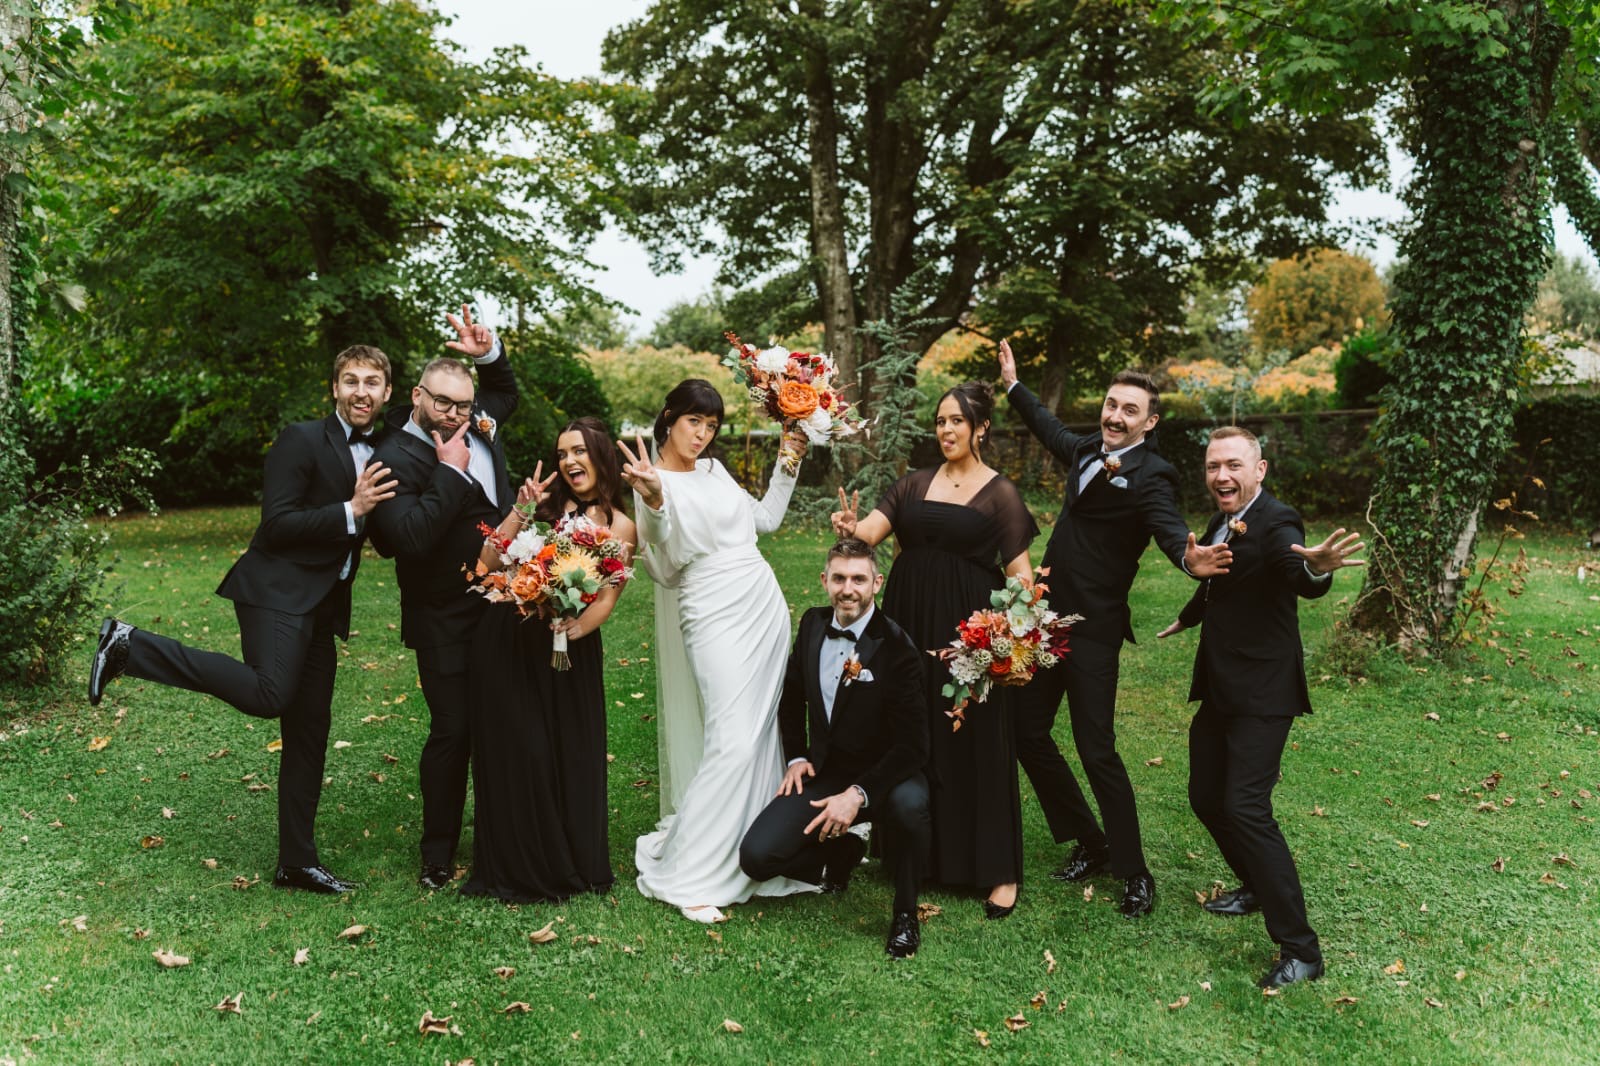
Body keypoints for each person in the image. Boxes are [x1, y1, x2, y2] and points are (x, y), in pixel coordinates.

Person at [87, 345, 398, 894]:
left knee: (309, 732)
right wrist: (351, 510)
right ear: (333, 388)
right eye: (350, 380)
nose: (360, 392)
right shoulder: (301, 439)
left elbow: (453, 411)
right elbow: (277, 523)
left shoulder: (385, 446)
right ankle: (130, 646)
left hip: (322, 603)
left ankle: (296, 863)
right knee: (269, 694)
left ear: (388, 392)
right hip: (276, 589)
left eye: (372, 382)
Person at [996, 340, 1226, 918]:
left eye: (1130, 410)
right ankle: (1089, 840)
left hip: (1094, 631)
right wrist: (1013, 387)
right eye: (1110, 404)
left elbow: (1170, 529)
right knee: (1026, 733)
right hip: (1046, 621)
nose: (1115, 416)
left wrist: (1187, 559)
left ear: (1149, 422)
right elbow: (1050, 429)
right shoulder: (1084, 451)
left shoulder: (1153, 475)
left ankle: (1135, 869)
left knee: (1097, 748)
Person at [1157, 426, 1362, 989]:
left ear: (1259, 470)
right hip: (1223, 686)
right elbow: (1218, 573)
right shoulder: (1223, 521)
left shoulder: (1278, 520)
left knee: (1246, 808)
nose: (1222, 476)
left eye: (1233, 465)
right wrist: (1189, 614)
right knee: (1205, 798)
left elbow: (1295, 570)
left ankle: (1302, 948)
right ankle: (1253, 885)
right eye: (1212, 466)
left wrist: (1317, 568)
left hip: (1265, 692)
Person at [830, 382, 1037, 919]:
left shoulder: (1001, 494)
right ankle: (914, 855)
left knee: (977, 738)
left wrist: (1010, 643)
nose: (946, 429)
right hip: (907, 623)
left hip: (969, 631)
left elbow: (1022, 579)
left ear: (981, 428)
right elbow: (869, 534)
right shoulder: (912, 485)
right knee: (913, 728)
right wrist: (852, 530)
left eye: (957, 421)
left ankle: (999, 869)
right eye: (941, 420)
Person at [617, 379, 816, 922]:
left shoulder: (714, 470)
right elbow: (661, 540)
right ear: (668, 418)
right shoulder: (648, 478)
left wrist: (788, 460)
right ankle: (691, 875)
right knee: (730, 739)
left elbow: (766, 521)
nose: (702, 435)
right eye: (693, 423)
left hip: (762, 604)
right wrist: (653, 497)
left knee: (760, 736)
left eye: (711, 427)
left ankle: (754, 852)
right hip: (711, 609)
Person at [367, 306, 516, 891]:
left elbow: (504, 388)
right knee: (453, 730)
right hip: (441, 615)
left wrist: (488, 350)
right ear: (416, 396)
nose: (455, 414)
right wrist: (450, 474)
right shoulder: (391, 457)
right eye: (442, 402)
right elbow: (406, 539)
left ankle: (504, 839)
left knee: (501, 723)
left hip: (502, 603)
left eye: (462, 403)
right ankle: (437, 852)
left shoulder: (477, 418)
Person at [460, 418, 636, 903]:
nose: (569, 461)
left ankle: (573, 860)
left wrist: (573, 628)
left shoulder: (622, 526)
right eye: (562, 453)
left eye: (578, 451)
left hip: (570, 648)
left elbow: (607, 597)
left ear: (601, 456)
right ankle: (520, 862)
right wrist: (519, 511)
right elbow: (486, 564)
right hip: (512, 641)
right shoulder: (541, 511)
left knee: (570, 754)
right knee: (526, 750)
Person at [738, 538, 932, 958]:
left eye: (859, 579)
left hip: (886, 776)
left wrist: (857, 796)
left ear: (876, 583)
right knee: (756, 857)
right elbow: (790, 698)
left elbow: (915, 746)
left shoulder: (897, 648)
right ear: (824, 580)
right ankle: (840, 855)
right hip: (825, 772)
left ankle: (904, 914)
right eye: (840, 578)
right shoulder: (811, 625)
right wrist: (797, 756)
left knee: (911, 806)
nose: (849, 589)